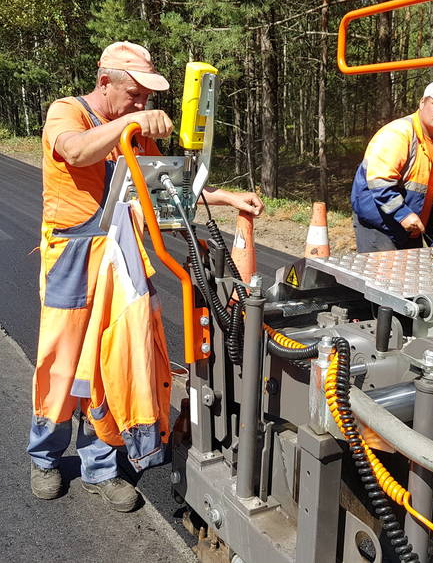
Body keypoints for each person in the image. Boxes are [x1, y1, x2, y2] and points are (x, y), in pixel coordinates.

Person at [28, 41, 263, 512]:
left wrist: (226, 198)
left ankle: (104, 465)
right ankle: (46, 457)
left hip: (124, 257)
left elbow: (169, 188)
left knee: (117, 360)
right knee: (63, 362)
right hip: (74, 255)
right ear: (104, 84)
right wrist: (129, 124)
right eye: (134, 95)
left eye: (145, 98)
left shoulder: (133, 129)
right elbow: (74, 152)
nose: (141, 105)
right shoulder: (67, 112)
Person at [351, 79, 433, 252]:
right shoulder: (398, 134)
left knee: (406, 277)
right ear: (422, 102)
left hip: (411, 226)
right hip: (380, 224)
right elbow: (379, 183)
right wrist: (402, 214)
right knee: (383, 277)